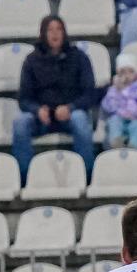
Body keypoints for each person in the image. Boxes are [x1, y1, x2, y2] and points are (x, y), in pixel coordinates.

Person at [12, 16, 98, 183]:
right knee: (20, 123)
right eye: (50, 29)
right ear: (43, 33)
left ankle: (87, 176)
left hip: (70, 114)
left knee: (80, 120)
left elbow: (90, 93)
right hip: (41, 118)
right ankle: (24, 178)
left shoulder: (79, 57)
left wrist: (71, 107)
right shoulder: (31, 60)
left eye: (58, 29)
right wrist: (37, 110)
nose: (55, 33)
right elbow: (24, 98)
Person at [100, 53, 137, 151]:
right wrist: (117, 91)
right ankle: (116, 143)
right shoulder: (114, 89)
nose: (126, 75)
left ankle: (134, 147)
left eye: (130, 71)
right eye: (122, 72)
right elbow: (107, 106)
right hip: (120, 118)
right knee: (114, 121)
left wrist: (135, 113)